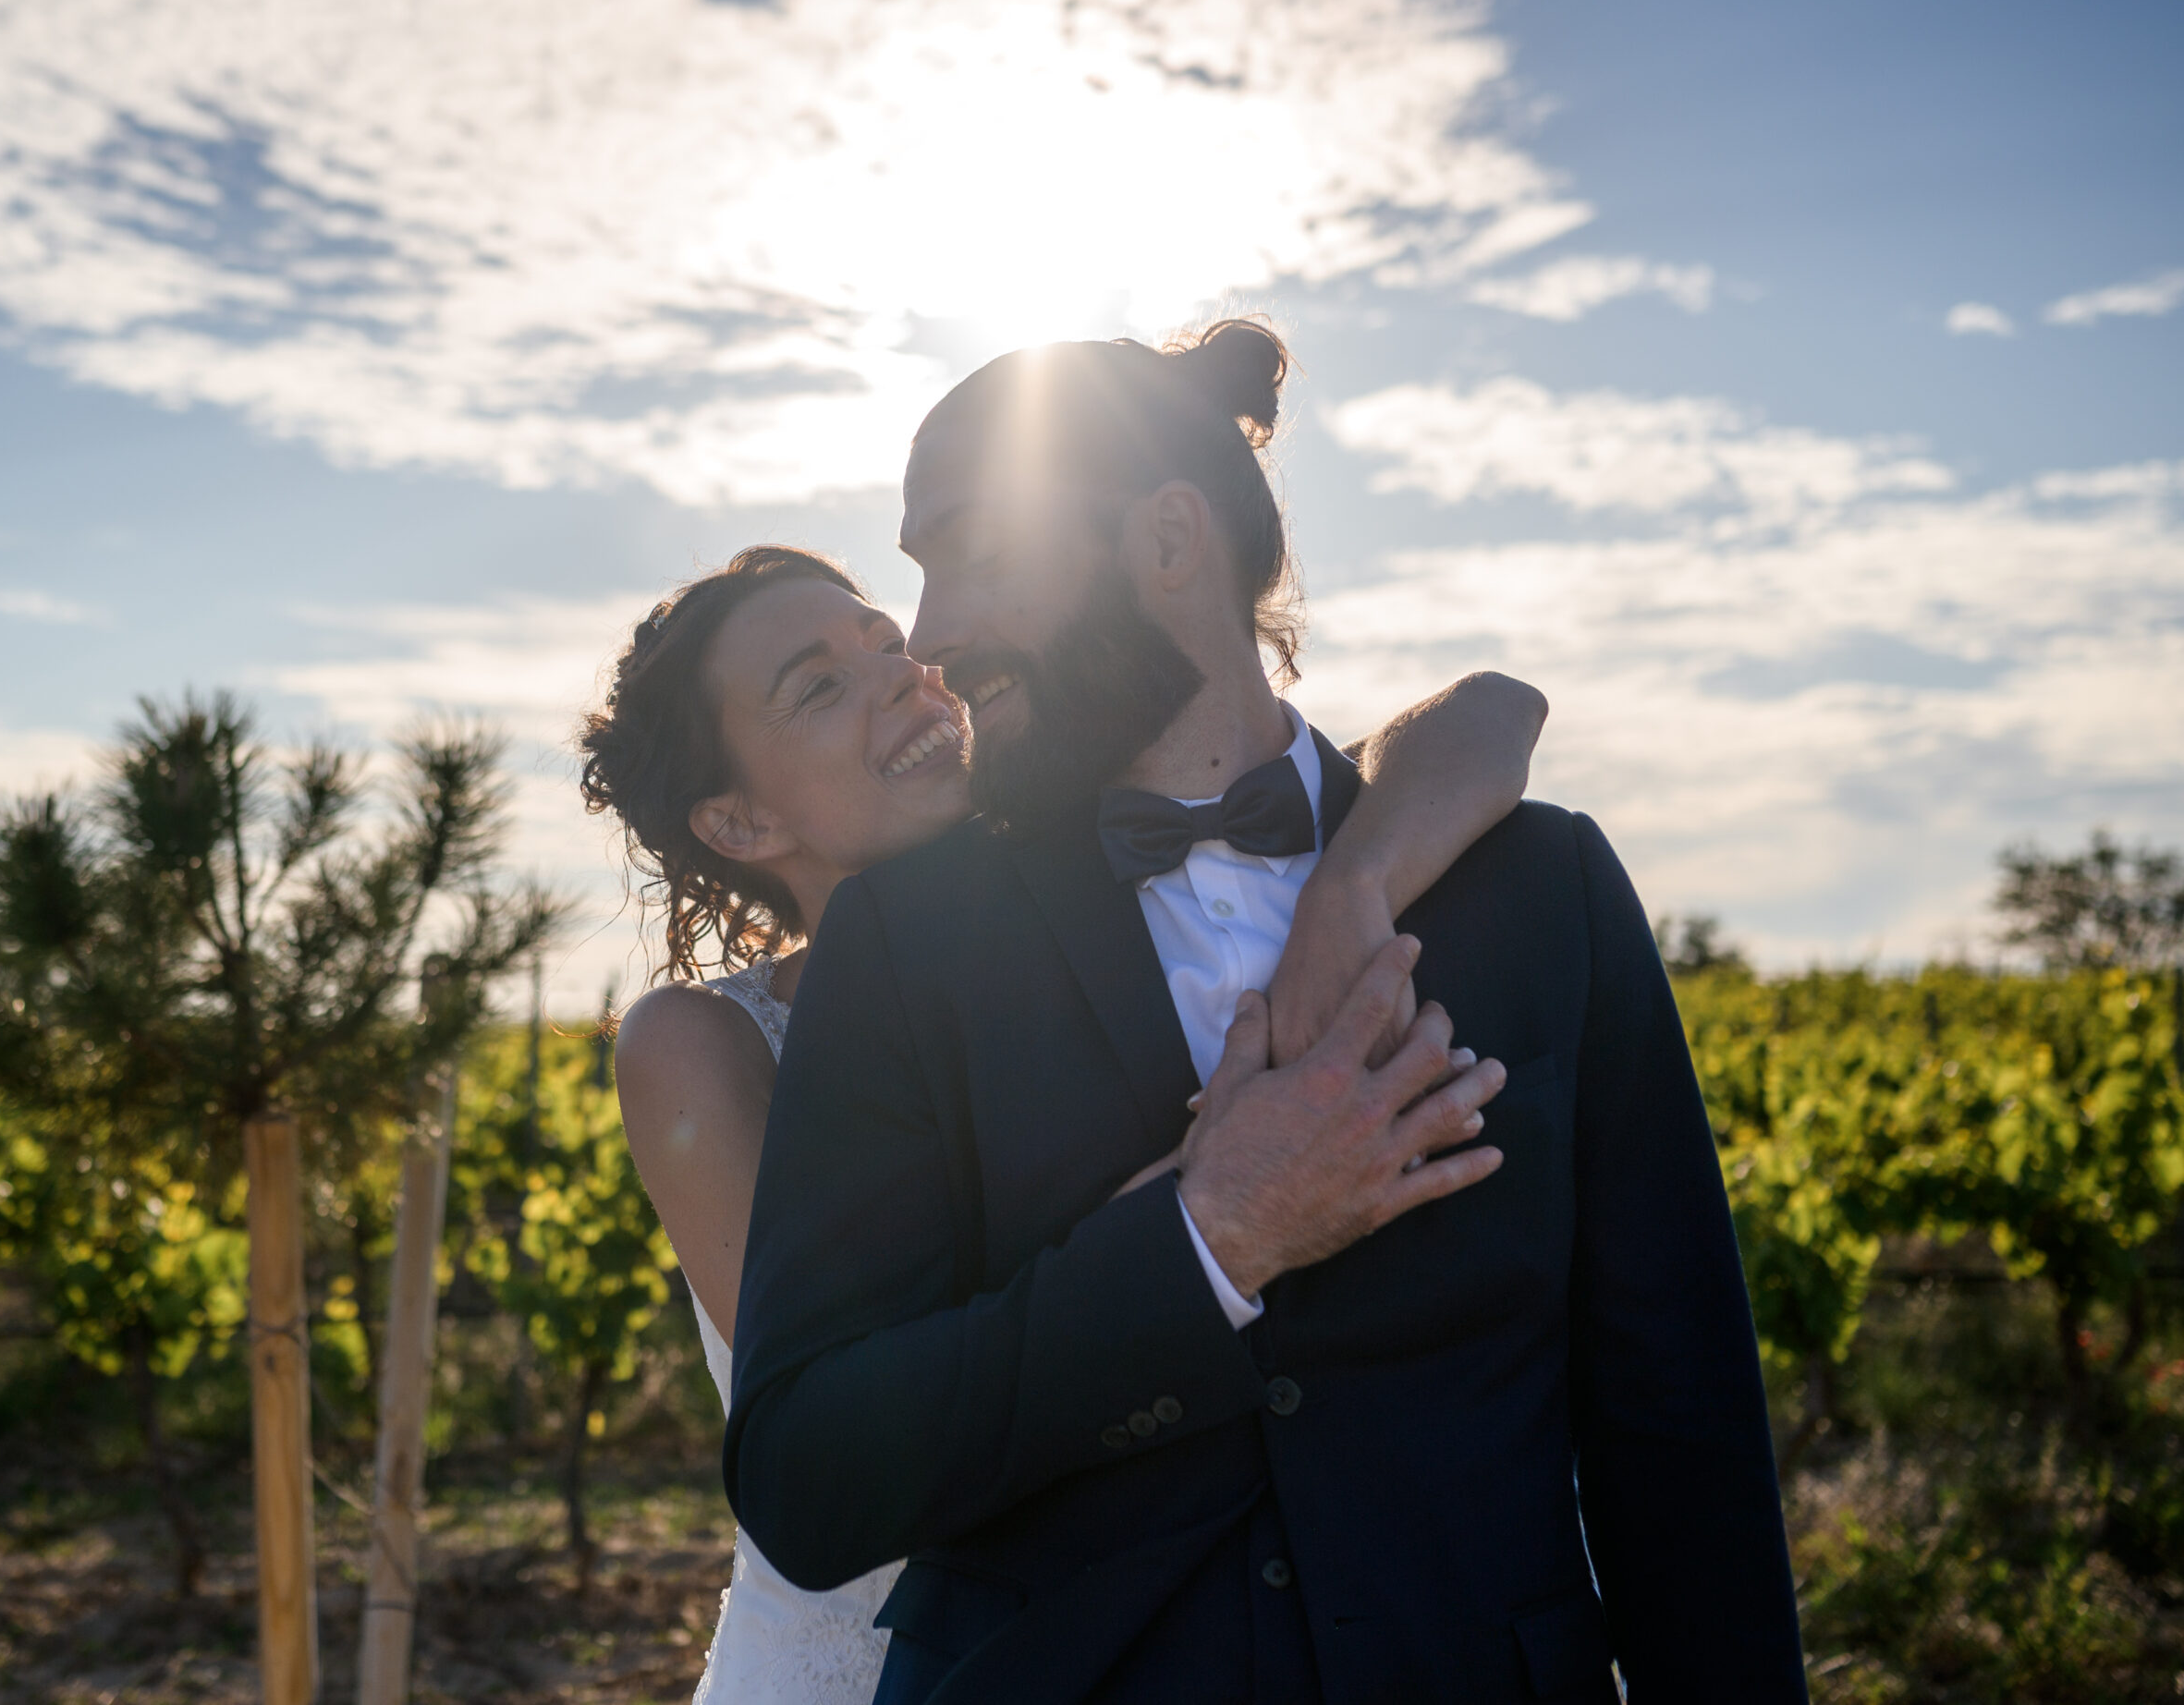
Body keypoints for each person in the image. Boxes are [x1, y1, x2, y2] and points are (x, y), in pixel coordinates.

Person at [725, 321, 1809, 1703]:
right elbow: (807, 1472)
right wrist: (1204, 1240)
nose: (931, 638)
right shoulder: (905, 942)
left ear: (1167, 542)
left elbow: (1681, 1435)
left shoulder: (1545, 891)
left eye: (974, 558)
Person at [581, 542, 1548, 1703]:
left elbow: (1487, 715)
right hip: (859, 1654)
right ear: (737, 823)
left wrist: (1353, 883)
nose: (902, 672)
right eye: (820, 685)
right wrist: (1216, 1210)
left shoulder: (1121, 908)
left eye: (886, 642)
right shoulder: (702, 1042)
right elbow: (867, 1410)